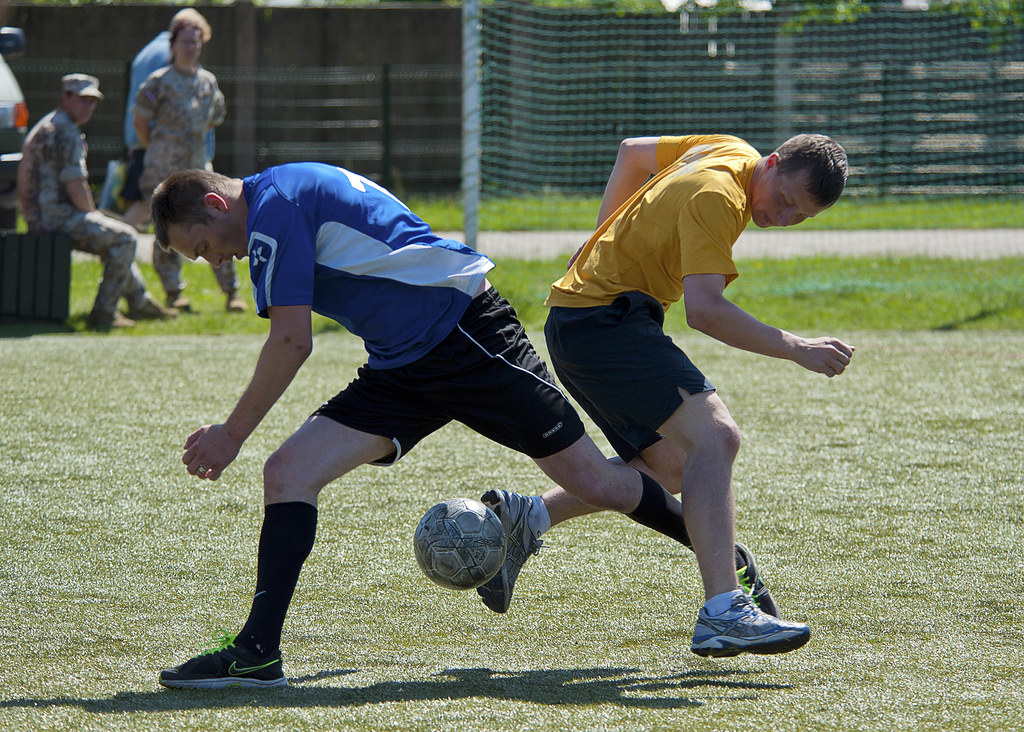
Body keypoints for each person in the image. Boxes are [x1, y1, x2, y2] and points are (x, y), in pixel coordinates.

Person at [150, 162, 789, 689]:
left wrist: (230, 433)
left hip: (466, 337)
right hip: (403, 364)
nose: (211, 260)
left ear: (215, 201)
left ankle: (726, 566)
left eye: (202, 246)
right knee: (287, 472)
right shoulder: (283, 192)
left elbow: (291, 341)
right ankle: (258, 652)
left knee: (599, 483)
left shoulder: (273, 208)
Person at [498, 133, 853, 658]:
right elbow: (705, 311)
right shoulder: (721, 197)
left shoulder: (731, 148)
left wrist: (601, 234)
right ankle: (724, 611)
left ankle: (526, 518)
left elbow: (631, 152)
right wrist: (796, 347)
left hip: (586, 319)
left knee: (672, 464)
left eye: (799, 216)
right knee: (718, 438)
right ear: (772, 164)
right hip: (605, 322)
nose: (782, 218)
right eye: (783, 200)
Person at [16, 74, 177, 329]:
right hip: (54, 218)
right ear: (65, 98)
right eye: (82, 100)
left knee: (115, 235)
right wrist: (93, 214)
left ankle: (139, 301)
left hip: (40, 215)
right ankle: (105, 314)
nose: (88, 107)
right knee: (125, 237)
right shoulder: (65, 130)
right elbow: (76, 185)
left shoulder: (50, 124)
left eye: (92, 102)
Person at [128, 9, 244, 313]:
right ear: (173, 44)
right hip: (163, 170)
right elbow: (140, 119)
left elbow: (213, 118)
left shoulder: (208, 82)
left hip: (199, 171)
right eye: (185, 41)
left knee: (218, 225)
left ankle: (232, 292)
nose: (191, 47)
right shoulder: (159, 82)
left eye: (196, 41)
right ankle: (173, 291)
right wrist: (155, 148)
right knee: (168, 231)